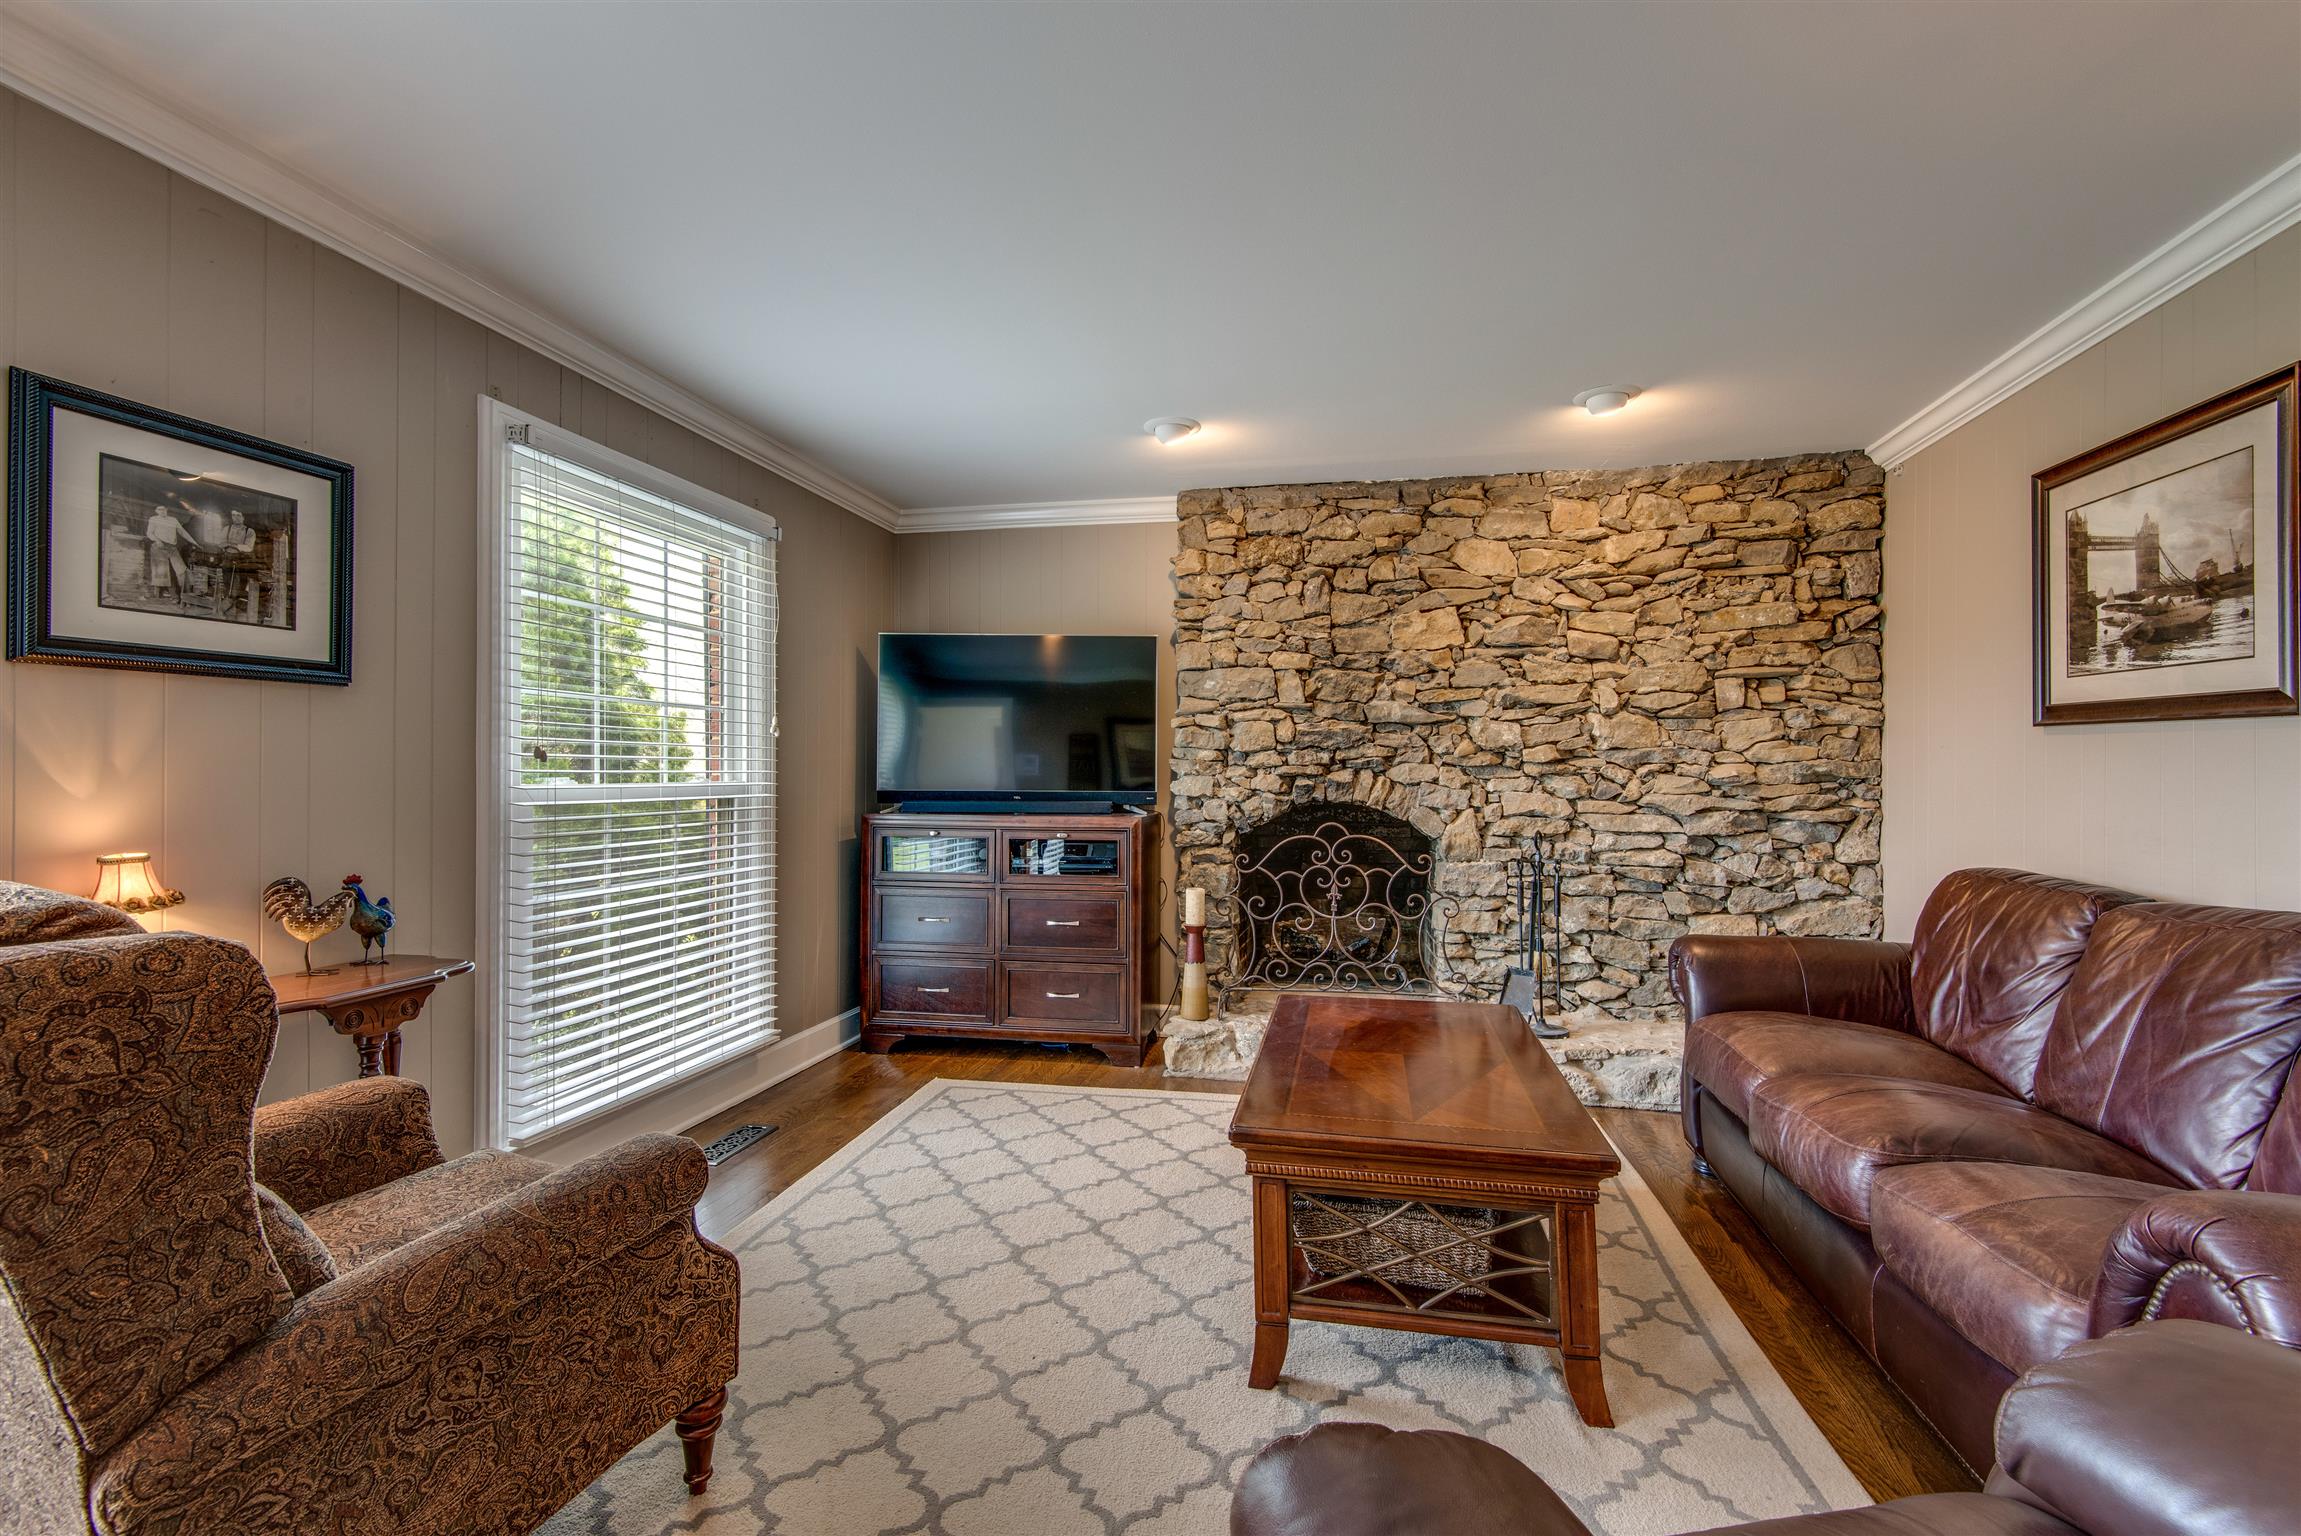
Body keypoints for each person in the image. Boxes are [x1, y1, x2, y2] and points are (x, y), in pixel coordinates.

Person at [144, 499, 190, 604]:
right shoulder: (153, 519)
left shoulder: (173, 520)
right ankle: (173, 596)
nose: (162, 511)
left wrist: (195, 543)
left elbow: (183, 532)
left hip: (172, 548)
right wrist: (157, 540)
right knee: (164, 572)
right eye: (159, 509)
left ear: (166, 510)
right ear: (156, 511)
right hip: (159, 547)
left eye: (163, 509)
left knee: (181, 570)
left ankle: (184, 596)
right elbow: (149, 533)